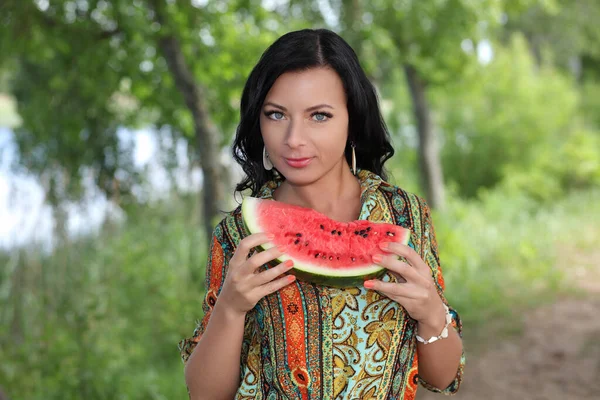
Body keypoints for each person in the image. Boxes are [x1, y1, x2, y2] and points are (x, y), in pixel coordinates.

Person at [178, 28, 465, 400]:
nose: (294, 138)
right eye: (277, 114)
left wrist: (430, 311)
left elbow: (442, 378)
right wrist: (230, 310)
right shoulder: (238, 235)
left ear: (352, 120)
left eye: (319, 116)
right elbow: (205, 395)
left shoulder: (404, 216)